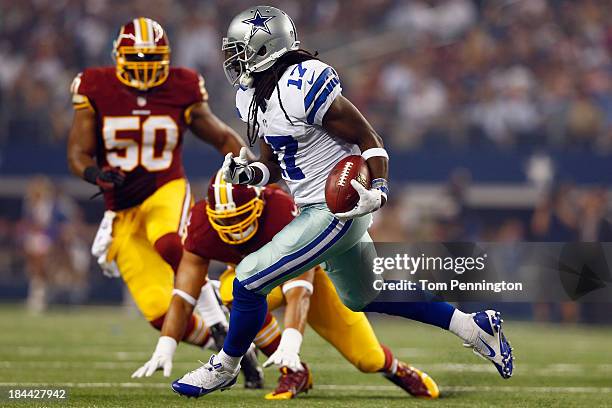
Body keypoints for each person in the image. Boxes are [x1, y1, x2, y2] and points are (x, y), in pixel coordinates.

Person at [172, 6, 513, 397]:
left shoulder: (303, 85)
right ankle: (473, 326)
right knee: (364, 296)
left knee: (248, 280)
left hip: (338, 208)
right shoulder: (254, 94)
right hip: (314, 208)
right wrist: (249, 175)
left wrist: (378, 190)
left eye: (241, 50)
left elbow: (370, 140)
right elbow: (275, 161)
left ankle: (226, 366)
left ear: (266, 48)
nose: (233, 59)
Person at [66, 17, 262, 386]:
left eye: (151, 61)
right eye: (136, 62)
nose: (144, 71)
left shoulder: (182, 86)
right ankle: (227, 348)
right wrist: (95, 174)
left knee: (172, 243)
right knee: (160, 312)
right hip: (121, 207)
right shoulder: (95, 85)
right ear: (118, 58)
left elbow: (221, 136)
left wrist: (251, 172)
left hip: (164, 188)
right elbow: (77, 153)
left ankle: (221, 326)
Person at [134, 172, 439, 399]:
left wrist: (292, 338)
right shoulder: (201, 223)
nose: (234, 231)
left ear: (260, 202)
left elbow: (299, 287)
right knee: (232, 289)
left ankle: (396, 368)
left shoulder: (280, 209)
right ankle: (292, 372)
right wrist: (167, 342)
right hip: (257, 285)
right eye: (224, 223)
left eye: (241, 219)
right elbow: (185, 292)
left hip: (310, 277)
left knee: (366, 357)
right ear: (210, 214)